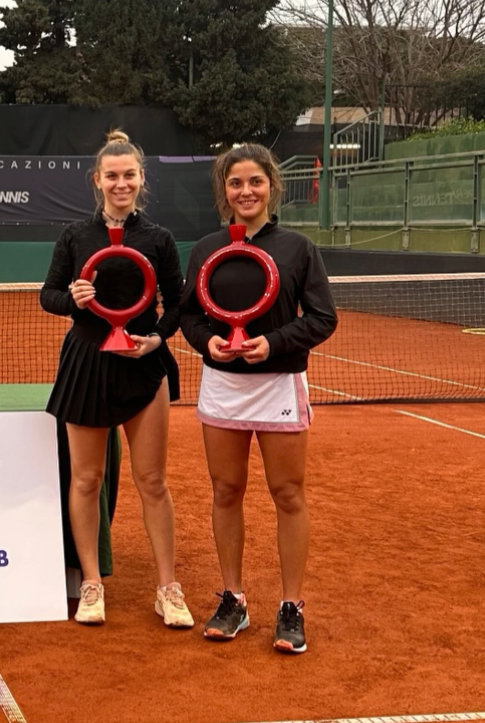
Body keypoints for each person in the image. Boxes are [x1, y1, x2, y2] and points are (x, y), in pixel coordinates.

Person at [179, 143, 338, 654]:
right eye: (235, 183)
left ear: (272, 185)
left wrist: (274, 342)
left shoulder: (298, 249)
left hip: (278, 384)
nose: (245, 191)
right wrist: (209, 343)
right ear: (223, 191)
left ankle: (291, 607)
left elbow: (322, 318)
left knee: (287, 493)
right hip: (223, 386)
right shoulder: (206, 249)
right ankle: (233, 599)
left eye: (255, 181)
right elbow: (189, 315)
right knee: (226, 490)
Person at [40, 130, 193, 628]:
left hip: (143, 364)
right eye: (112, 175)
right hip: (87, 363)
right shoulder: (74, 237)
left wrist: (157, 339)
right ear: (97, 180)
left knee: (153, 481)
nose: (121, 183)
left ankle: (168, 587)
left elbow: (178, 303)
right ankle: (91, 584)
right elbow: (48, 296)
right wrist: (74, 298)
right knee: (87, 479)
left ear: (141, 178)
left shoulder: (159, 239)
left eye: (129, 175)